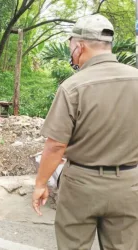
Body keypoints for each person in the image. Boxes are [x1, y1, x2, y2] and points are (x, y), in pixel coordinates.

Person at [32, 14, 138, 249]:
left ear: (79, 46)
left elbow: (56, 145)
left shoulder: (73, 87)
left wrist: (40, 184)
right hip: (130, 184)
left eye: (71, 48)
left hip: (81, 185)